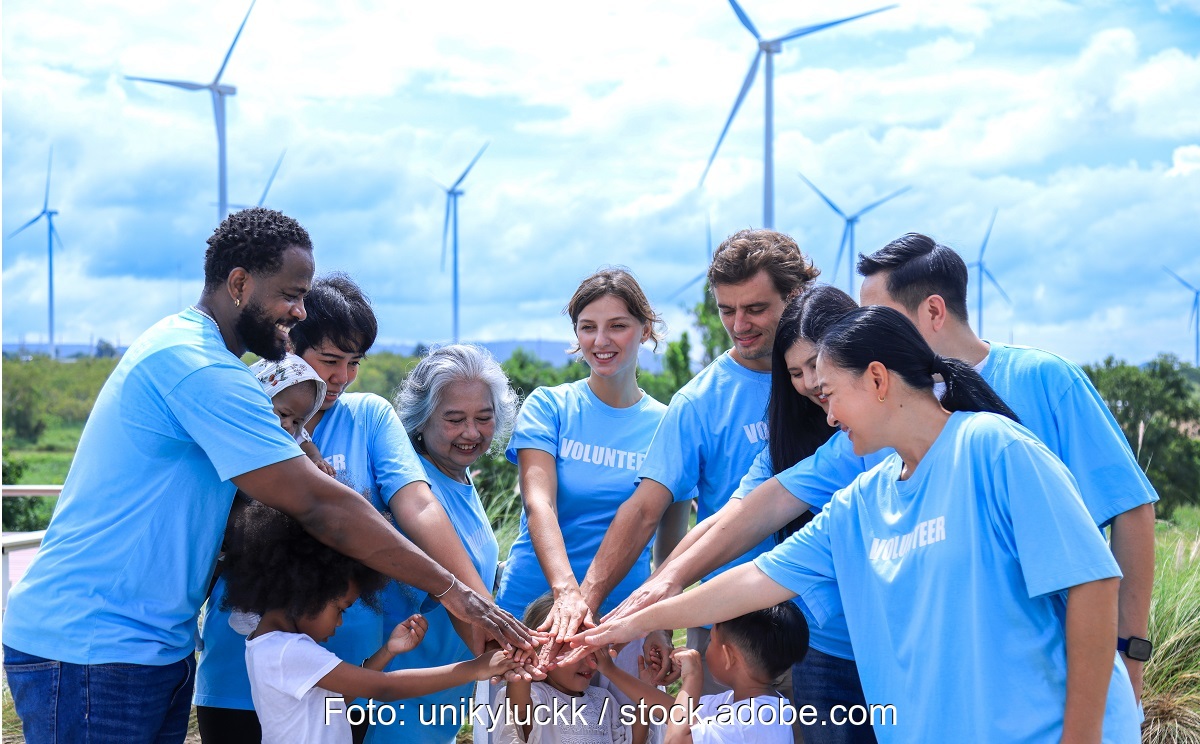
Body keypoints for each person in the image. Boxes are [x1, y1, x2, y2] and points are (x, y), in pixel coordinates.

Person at [2, 208, 529, 744]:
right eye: (291, 295)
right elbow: (319, 503)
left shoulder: (219, 366)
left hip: (150, 646)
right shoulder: (200, 366)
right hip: (95, 647)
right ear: (238, 284)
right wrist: (452, 589)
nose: (300, 312)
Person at [610, 234, 1157, 705]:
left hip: (1047, 674)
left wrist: (1131, 656)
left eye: (878, 317)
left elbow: (1118, 528)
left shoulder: (1016, 414)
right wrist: (660, 593)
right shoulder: (866, 456)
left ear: (933, 313)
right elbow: (761, 512)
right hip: (926, 673)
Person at [195, 274, 530, 743]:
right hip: (240, 678)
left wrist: (477, 611)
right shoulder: (247, 413)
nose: (341, 378)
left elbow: (418, 504)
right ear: (288, 344)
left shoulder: (368, 417)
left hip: (348, 683)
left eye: (354, 363)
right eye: (330, 360)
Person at [575, 231, 819, 693]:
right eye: (727, 310)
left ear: (796, 296)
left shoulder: (830, 378)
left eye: (755, 309)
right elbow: (648, 510)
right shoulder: (700, 401)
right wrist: (590, 602)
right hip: (734, 633)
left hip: (831, 620)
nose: (739, 324)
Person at [493, 268, 678, 672]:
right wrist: (566, 595)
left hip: (619, 624)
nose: (601, 341)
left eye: (618, 326)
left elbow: (668, 542)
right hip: (530, 615)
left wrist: (660, 621)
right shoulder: (549, 406)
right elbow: (539, 503)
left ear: (645, 330)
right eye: (588, 327)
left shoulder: (670, 424)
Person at [222, 499, 519, 744]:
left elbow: (337, 701)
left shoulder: (270, 645)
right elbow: (383, 688)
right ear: (306, 591)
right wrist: (474, 668)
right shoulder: (289, 651)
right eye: (341, 609)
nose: (338, 623)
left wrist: (387, 651)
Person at [365, 344, 518, 743]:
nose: (471, 433)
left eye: (484, 418)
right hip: (395, 711)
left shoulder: (461, 480)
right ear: (421, 419)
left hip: (441, 709)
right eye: (454, 420)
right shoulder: (413, 488)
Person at [494, 594, 644, 744]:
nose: (591, 663)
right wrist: (524, 661)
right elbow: (519, 712)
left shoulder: (604, 700)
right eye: (577, 652)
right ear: (543, 651)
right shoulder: (537, 696)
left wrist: (647, 689)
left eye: (594, 652)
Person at [664, 604, 807, 744]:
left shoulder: (750, 720)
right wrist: (643, 685)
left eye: (711, 640)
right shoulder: (754, 703)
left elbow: (676, 740)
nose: (708, 645)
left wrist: (692, 677)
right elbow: (678, 711)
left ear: (729, 656)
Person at [250, 352, 336, 476]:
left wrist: (316, 458)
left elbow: (307, 444)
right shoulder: (244, 423)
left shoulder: (288, 434)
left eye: (296, 422)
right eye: (283, 414)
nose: (288, 425)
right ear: (264, 396)